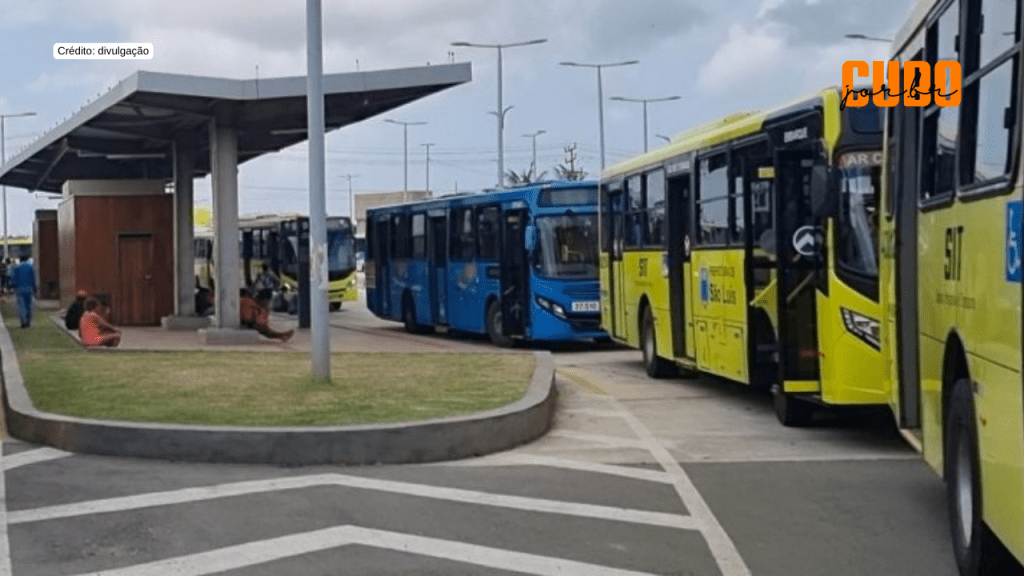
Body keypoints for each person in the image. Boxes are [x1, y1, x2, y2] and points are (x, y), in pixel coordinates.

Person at [9, 255, 35, 328]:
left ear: (20, 260)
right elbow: (33, 278)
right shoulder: (30, 267)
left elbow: (13, 279)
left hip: (19, 289)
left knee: (21, 305)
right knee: (28, 305)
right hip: (29, 288)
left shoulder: (17, 268)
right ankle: (28, 321)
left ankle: (23, 321)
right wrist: (34, 288)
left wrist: (12, 286)